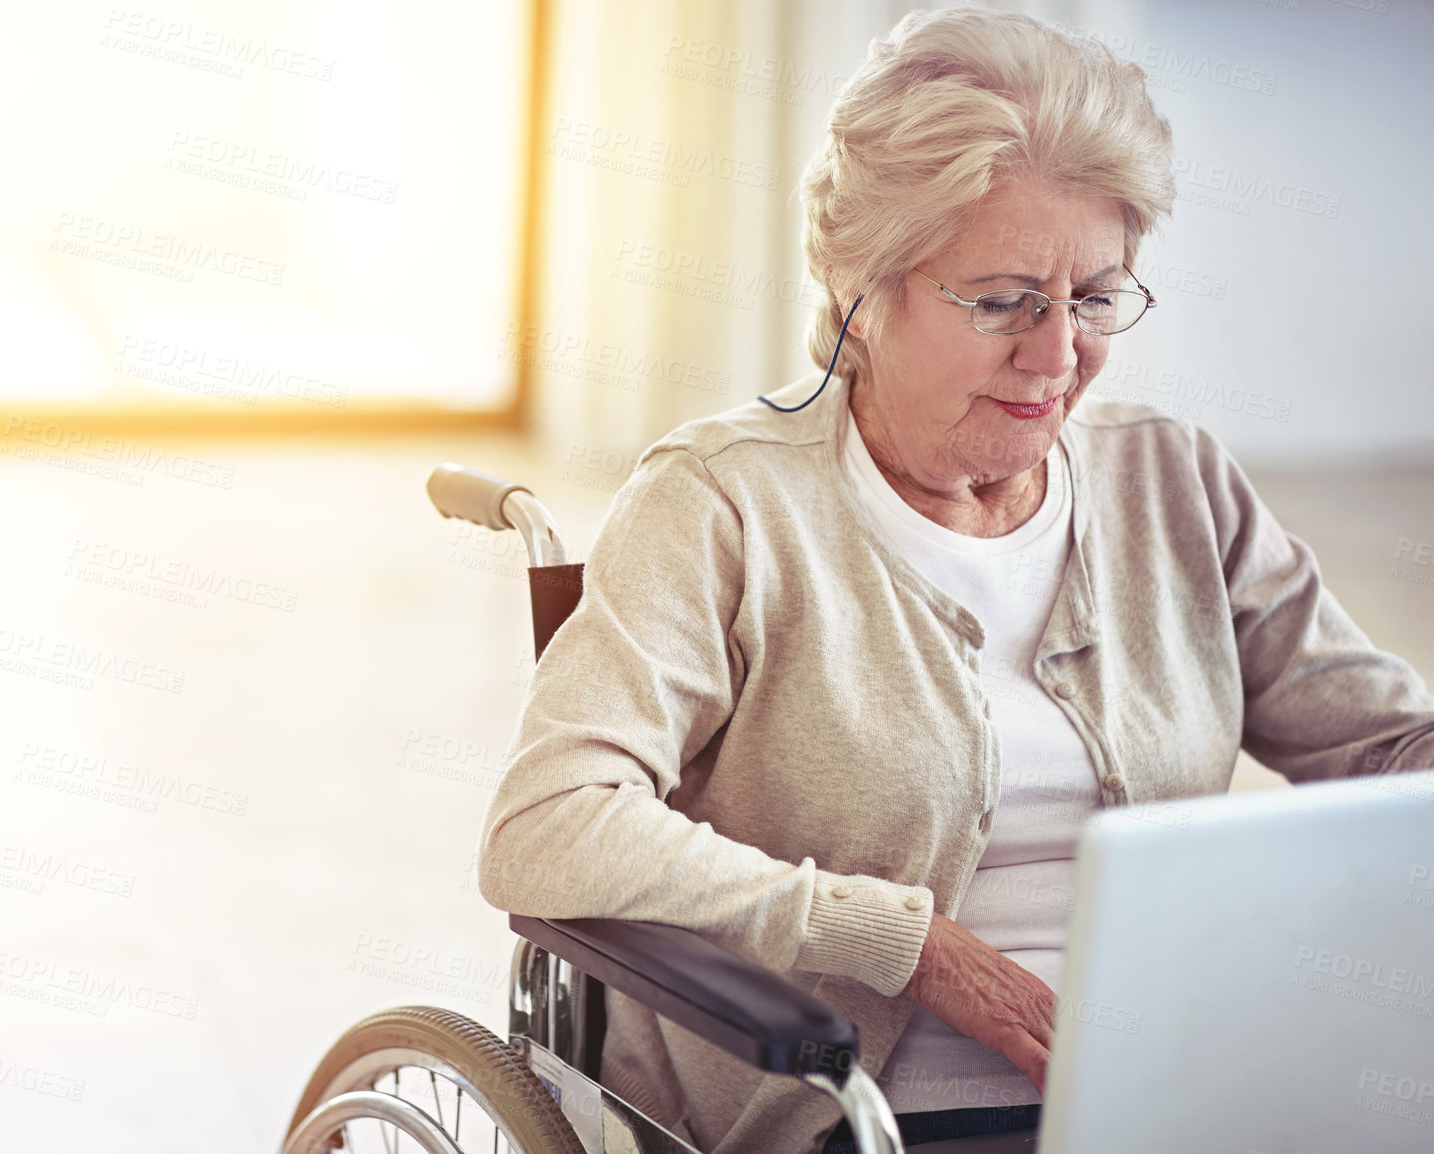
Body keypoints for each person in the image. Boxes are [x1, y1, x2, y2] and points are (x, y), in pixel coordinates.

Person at [477, 8, 1434, 1153]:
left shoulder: (1168, 480)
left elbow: (1390, 749)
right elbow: (547, 824)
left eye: (1093, 297)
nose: (1056, 353)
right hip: (861, 1115)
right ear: (858, 287)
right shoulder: (723, 501)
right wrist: (908, 942)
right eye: (1001, 300)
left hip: (1186, 1091)